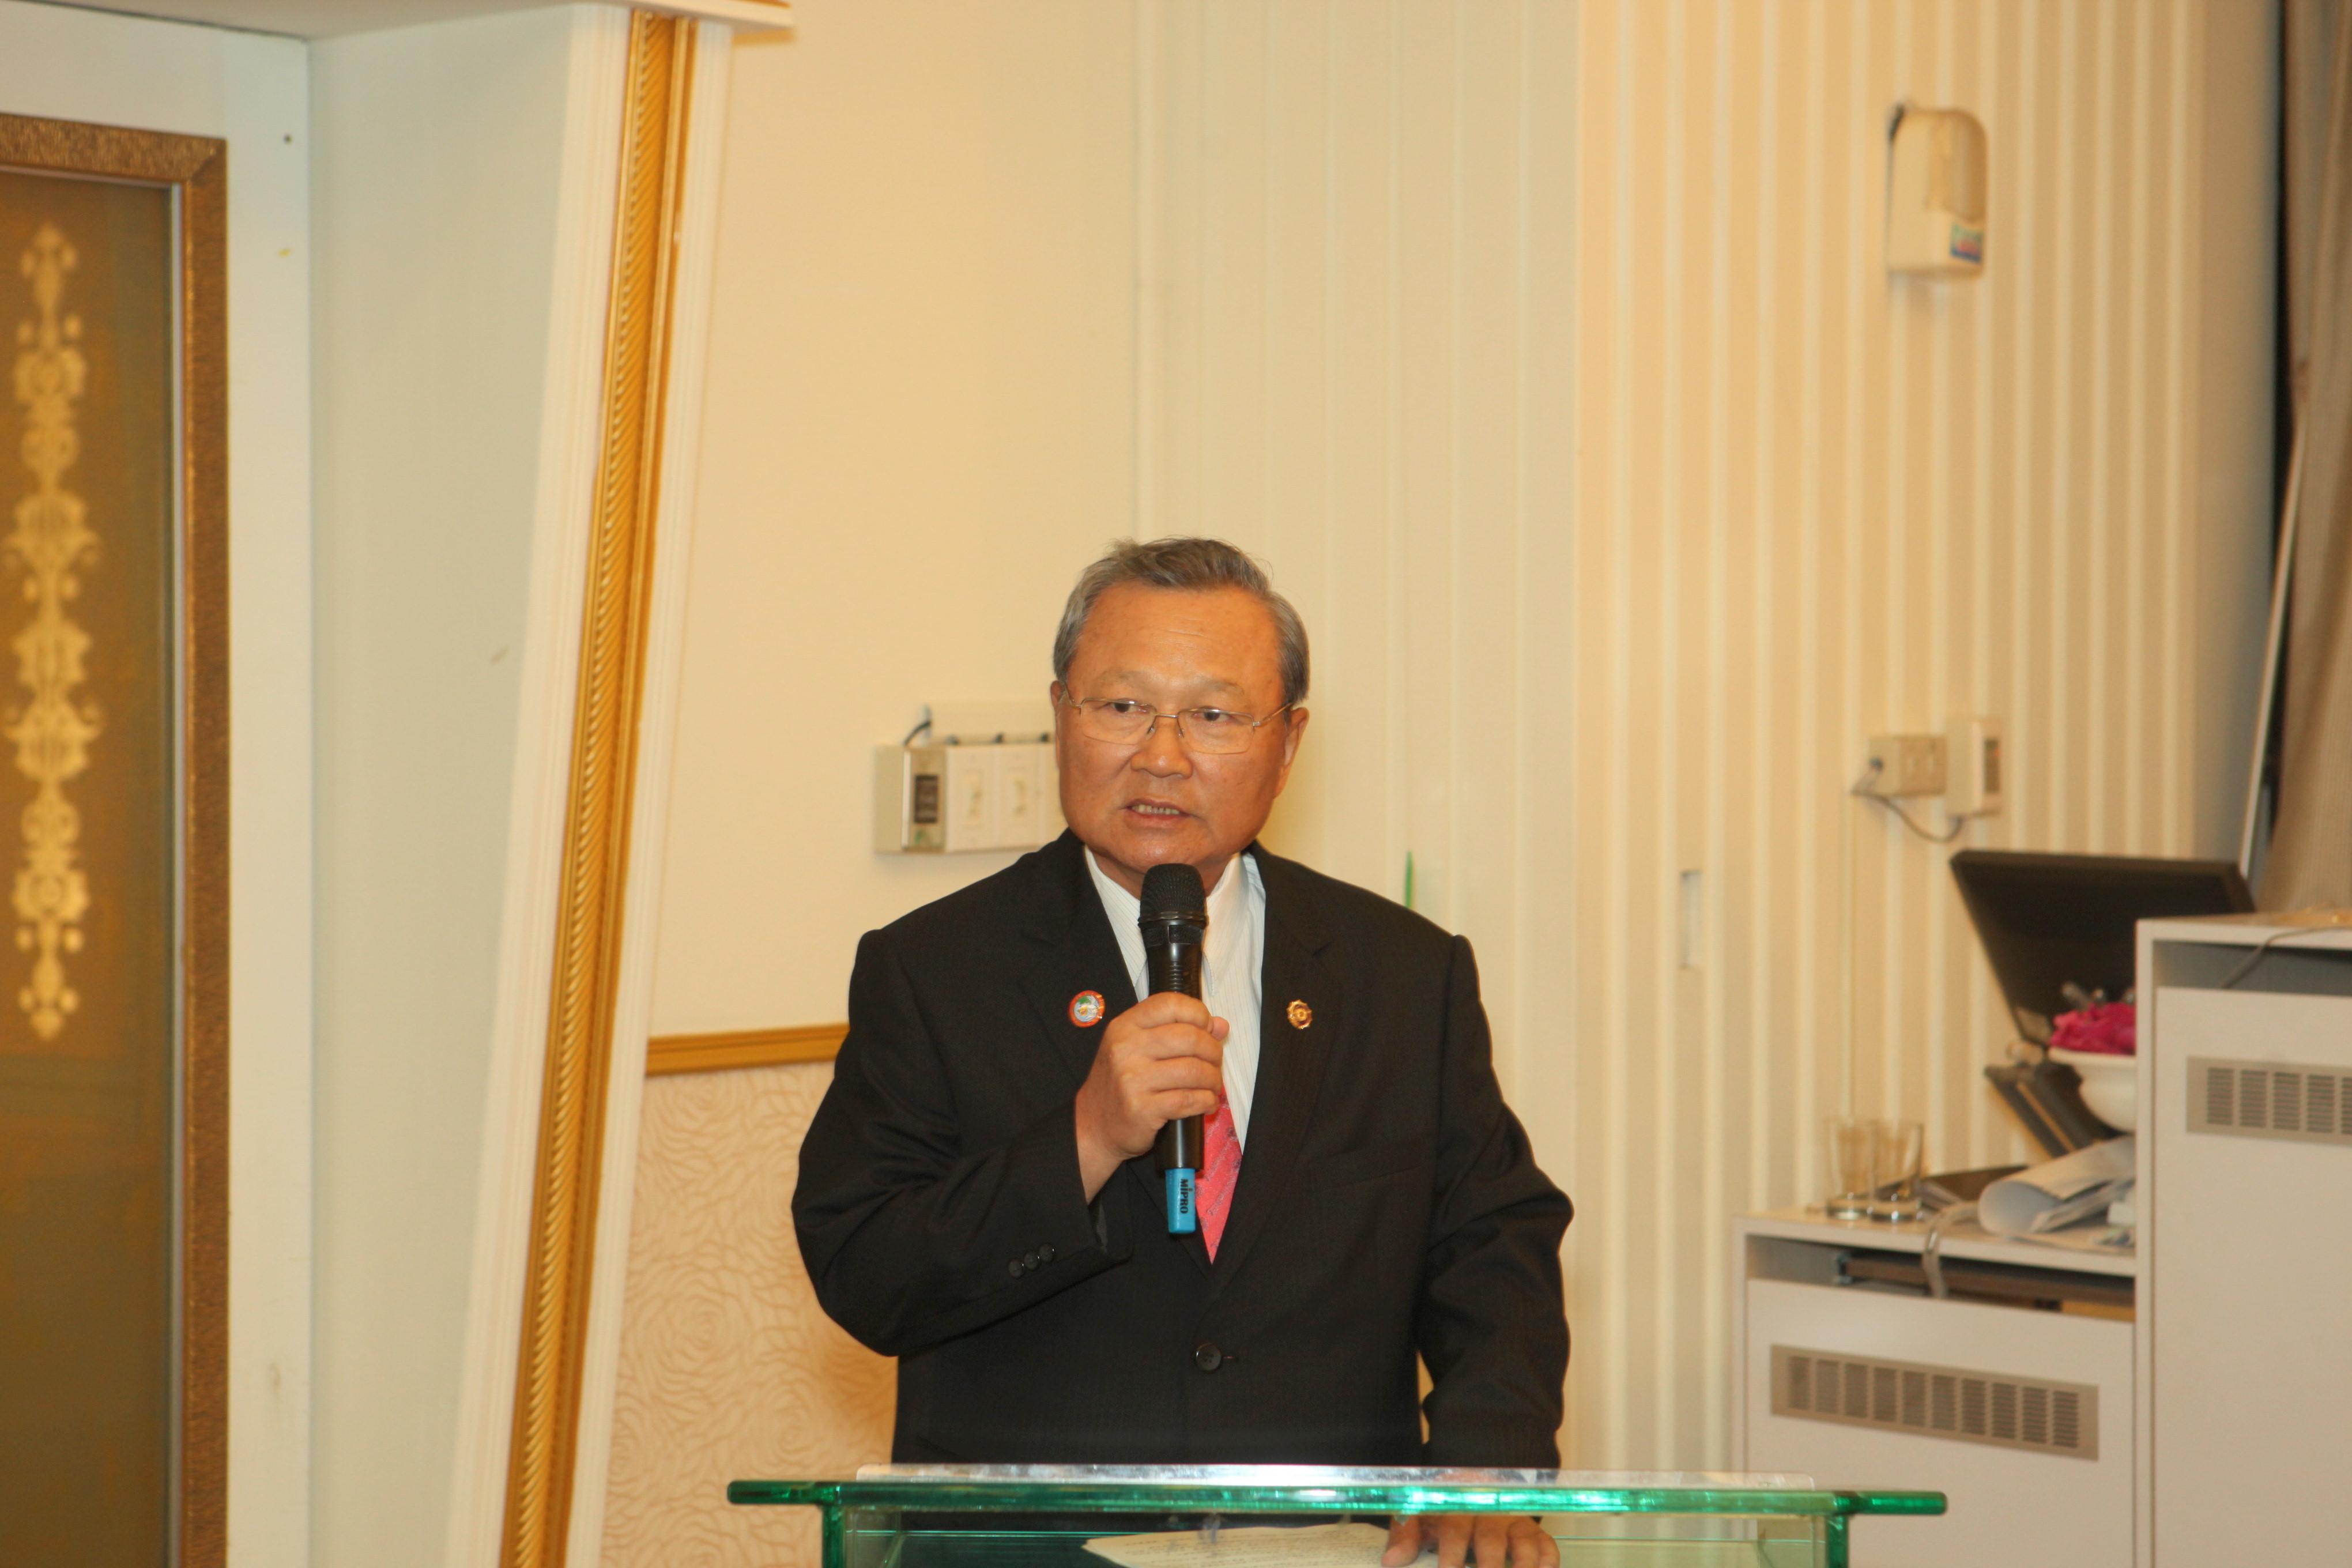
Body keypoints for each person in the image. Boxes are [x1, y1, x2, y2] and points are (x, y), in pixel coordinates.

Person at [795, 538, 1571, 1568]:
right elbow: (868, 1274)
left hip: (1320, 1545)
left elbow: (1492, 1241)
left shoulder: (1401, 972)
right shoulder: (934, 968)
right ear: (1061, 715)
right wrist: (1085, 1140)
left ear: (1287, 744)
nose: (1161, 756)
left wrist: (1485, 1462)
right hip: (1031, 1551)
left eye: (1213, 716)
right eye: (1122, 707)